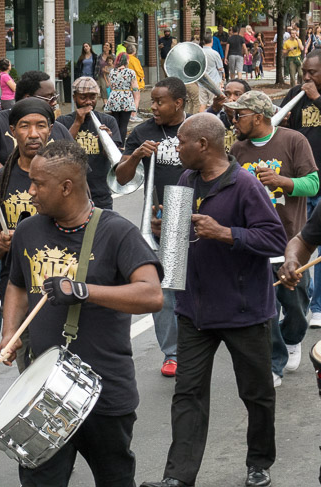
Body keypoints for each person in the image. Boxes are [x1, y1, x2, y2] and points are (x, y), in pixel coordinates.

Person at [0, 140, 163, 486]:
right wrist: (9, 333)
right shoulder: (29, 230)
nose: (30, 191)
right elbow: (16, 283)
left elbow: (151, 295)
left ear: (66, 187)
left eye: (38, 184)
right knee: (40, 481)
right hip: (45, 394)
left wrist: (82, 291)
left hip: (104, 390)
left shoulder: (117, 232)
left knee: (114, 480)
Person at [141, 113, 286, 487]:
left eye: (182, 141)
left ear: (203, 145)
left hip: (244, 313)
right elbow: (176, 250)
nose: (176, 147)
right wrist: (165, 230)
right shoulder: (187, 179)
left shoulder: (245, 185)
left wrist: (226, 233)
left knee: (256, 394)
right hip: (195, 313)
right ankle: (177, 477)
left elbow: (274, 240)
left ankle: (259, 463)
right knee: (187, 396)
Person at [0, 71, 73, 390]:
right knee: (33, 381)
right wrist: (2, 241)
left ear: (51, 129)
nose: (34, 133)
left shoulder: (69, 175)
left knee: (68, 377)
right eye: (25, 126)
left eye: (41, 125)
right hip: (18, 283)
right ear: (12, 132)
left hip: (63, 286)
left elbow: (86, 224)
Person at [227, 90, 319, 387]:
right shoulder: (237, 149)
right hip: (253, 243)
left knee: (294, 303)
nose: (235, 119)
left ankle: (293, 338)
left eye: (239, 114)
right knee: (264, 309)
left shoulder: (293, 140)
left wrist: (283, 182)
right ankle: (274, 363)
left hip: (291, 240)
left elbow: (314, 184)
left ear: (258, 116)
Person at [113, 77, 188, 377]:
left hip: (194, 211)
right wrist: (136, 156)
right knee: (166, 289)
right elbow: (120, 177)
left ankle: (200, 341)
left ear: (178, 103)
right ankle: (172, 353)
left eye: (159, 102)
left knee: (197, 285)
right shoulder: (143, 132)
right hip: (160, 217)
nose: (153, 107)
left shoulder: (194, 128)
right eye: (152, 101)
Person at [280, 49, 321, 328]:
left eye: (312, 72)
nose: (306, 77)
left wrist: (318, 100)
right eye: (304, 71)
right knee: (301, 241)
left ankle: (318, 307)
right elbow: (281, 122)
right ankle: (301, 302)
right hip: (301, 181)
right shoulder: (296, 94)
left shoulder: (315, 98)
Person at [57, 76, 121, 210]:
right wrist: (77, 122)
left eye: (92, 97)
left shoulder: (108, 121)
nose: (88, 102)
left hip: (100, 192)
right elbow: (60, 152)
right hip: (70, 194)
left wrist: (107, 140)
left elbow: (113, 158)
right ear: (74, 98)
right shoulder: (63, 122)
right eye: (83, 97)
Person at [207, 78, 251, 153]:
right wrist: (213, 110)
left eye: (237, 94)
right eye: (227, 94)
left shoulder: (250, 120)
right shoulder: (219, 118)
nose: (231, 99)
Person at [105, 53, 138, 146]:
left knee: (115, 123)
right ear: (126, 60)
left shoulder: (112, 72)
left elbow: (111, 86)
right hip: (126, 97)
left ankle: (115, 143)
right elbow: (135, 87)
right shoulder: (130, 72)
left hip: (114, 97)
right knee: (123, 124)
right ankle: (121, 145)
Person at [200, 34, 225, 113]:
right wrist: (223, 78)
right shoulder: (214, 53)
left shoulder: (199, 53)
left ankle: (200, 120)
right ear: (212, 41)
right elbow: (220, 68)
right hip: (213, 82)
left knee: (202, 104)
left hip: (201, 82)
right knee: (213, 104)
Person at [127, 44, 145, 122]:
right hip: (135, 82)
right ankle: (133, 115)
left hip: (127, 82)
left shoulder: (125, 59)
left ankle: (129, 114)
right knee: (136, 98)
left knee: (130, 99)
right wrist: (142, 76)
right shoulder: (135, 60)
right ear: (134, 51)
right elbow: (139, 70)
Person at [97, 42, 114, 108]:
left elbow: (115, 66)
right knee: (103, 88)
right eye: (104, 45)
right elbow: (97, 66)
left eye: (107, 45)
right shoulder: (99, 56)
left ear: (110, 48)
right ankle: (105, 103)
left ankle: (111, 102)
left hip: (111, 76)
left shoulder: (113, 56)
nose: (105, 46)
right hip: (102, 75)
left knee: (110, 89)